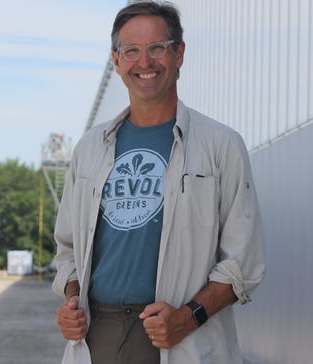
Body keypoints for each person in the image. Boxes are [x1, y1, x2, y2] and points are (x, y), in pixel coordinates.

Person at [52, 1, 266, 363]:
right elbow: (69, 248)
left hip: (183, 336)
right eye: (131, 51)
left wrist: (188, 318)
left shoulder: (220, 145)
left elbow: (242, 261)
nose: (145, 62)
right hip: (97, 332)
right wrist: (72, 303)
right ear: (117, 61)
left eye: (157, 48)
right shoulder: (90, 148)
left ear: (179, 54)